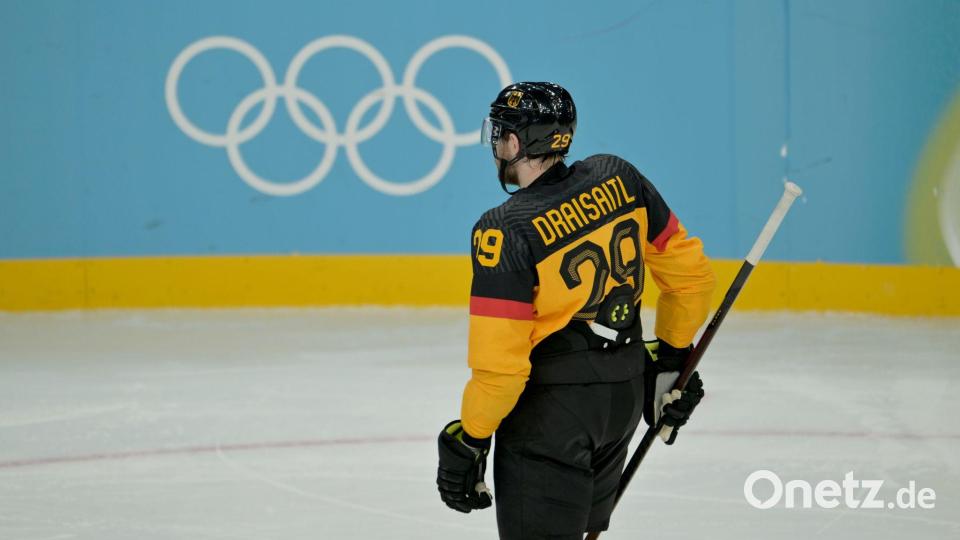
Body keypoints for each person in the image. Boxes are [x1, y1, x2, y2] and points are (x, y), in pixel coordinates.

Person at [436, 82, 716, 539]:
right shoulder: (619, 177)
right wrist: (669, 357)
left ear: (515, 143)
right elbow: (692, 278)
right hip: (622, 396)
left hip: (552, 419)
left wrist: (470, 435)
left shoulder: (504, 230)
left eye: (500, 133)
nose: (495, 144)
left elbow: (501, 369)